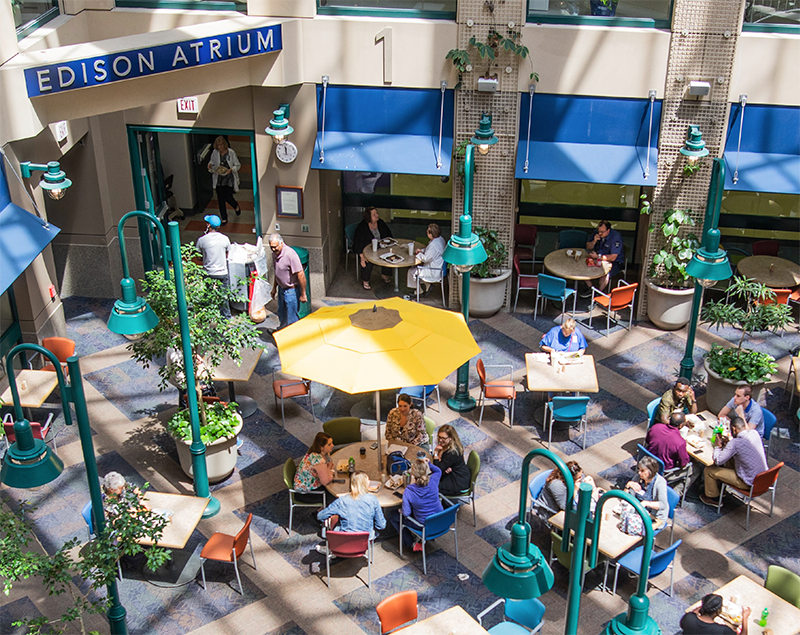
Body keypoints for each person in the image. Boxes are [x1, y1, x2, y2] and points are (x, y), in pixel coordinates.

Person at [700, 416, 768, 507]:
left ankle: (713, 498)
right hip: (763, 479)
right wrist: (728, 444)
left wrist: (718, 447)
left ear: (734, 429)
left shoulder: (736, 443)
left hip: (748, 482)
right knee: (730, 459)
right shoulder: (754, 433)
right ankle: (719, 487)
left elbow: (718, 461)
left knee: (709, 470)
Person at [387, 458, 443, 551]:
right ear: (427, 470)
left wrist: (401, 510)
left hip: (423, 525)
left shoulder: (409, 490)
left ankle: (411, 543)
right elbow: (438, 471)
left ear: (413, 475)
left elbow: (406, 513)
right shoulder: (434, 480)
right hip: (441, 519)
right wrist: (428, 463)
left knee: (393, 515)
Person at [316, 471, 386, 540]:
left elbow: (320, 516)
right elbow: (381, 525)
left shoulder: (342, 501)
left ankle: (328, 546)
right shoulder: (373, 500)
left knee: (335, 522)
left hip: (343, 541)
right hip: (364, 541)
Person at [645, 412, 694, 497]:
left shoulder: (656, 427)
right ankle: (675, 494)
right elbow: (683, 463)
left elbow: (647, 440)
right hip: (664, 472)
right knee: (694, 469)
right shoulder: (680, 442)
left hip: (647, 462)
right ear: (681, 426)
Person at [196, 214, 232, 318]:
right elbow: (227, 254)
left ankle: (208, 314)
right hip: (222, 272)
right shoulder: (225, 239)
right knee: (223, 295)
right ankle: (226, 317)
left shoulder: (202, 240)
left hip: (208, 272)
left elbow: (198, 257)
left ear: (208, 225)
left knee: (208, 294)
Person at [269, 233, 307, 329]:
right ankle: (282, 332)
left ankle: (293, 338)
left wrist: (303, 294)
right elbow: (277, 273)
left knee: (292, 317)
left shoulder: (290, 255)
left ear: (281, 243)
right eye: (271, 247)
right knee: (281, 313)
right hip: (281, 289)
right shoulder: (275, 254)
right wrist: (274, 288)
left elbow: (301, 275)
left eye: (275, 247)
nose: (273, 249)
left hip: (292, 291)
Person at [535, 460, 599, 516]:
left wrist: (592, 487)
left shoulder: (578, 476)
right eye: (578, 478)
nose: (581, 478)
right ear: (570, 479)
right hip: (551, 512)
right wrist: (575, 490)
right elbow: (565, 506)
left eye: (582, 473)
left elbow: (583, 487)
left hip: (569, 505)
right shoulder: (556, 485)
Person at [353, 207, 393, 290]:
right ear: (368, 217)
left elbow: (389, 235)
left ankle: (385, 274)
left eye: (377, 213)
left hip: (381, 247)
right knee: (367, 260)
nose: (377, 215)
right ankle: (365, 280)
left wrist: (387, 243)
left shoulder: (380, 223)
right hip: (367, 249)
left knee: (389, 255)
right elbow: (357, 243)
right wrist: (361, 256)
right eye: (374, 214)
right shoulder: (362, 227)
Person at [581, 220, 624, 296]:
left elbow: (613, 257)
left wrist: (598, 257)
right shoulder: (597, 233)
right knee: (582, 266)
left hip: (614, 261)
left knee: (605, 274)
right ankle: (591, 288)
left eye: (602, 232)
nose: (600, 233)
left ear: (608, 231)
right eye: (599, 231)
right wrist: (594, 241)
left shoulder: (615, 237)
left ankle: (598, 292)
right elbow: (588, 246)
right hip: (598, 257)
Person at [625, 456, 669, 528]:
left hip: (653, 517)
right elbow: (625, 498)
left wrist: (646, 503)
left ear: (650, 472)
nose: (639, 473)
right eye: (639, 469)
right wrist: (628, 485)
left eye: (642, 471)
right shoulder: (638, 477)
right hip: (637, 512)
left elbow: (663, 505)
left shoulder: (660, 483)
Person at [206, 135, 241, 225]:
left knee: (228, 197)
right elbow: (212, 162)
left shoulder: (231, 152)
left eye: (221, 145)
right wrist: (210, 165)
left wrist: (231, 169)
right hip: (219, 178)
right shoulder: (215, 152)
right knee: (220, 199)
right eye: (218, 145)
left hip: (228, 178)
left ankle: (236, 206)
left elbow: (237, 165)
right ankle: (224, 218)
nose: (220, 147)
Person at [293, 432, 335, 503]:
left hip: (310, 484)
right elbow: (326, 481)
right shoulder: (318, 460)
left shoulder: (319, 453)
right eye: (329, 444)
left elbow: (331, 464)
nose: (333, 445)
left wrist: (327, 471)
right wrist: (330, 472)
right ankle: (322, 512)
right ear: (321, 447)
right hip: (305, 493)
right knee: (333, 495)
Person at [679, 593, 750, 635]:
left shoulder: (689, 618)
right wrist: (745, 618)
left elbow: (693, 612)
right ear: (717, 611)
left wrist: (706, 605)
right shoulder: (722, 631)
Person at [406, 223, 446, 295]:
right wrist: (422, 250)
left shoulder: (433, 245)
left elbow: (425, 259)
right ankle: (427, 285)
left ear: (431, 234)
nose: (426, 232)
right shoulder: (440, 239)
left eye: (428, 231)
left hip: (433, 270)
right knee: (414, 268)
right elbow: (431, 252)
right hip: (438, 267)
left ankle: (419, 290)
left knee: (411, 272)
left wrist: (419, 254)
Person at [432, 424, 471, 497]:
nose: (440, 440)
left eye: (443, 438)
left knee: (431, 486)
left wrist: (436, 453)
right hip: (454, 473)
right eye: (439, 437)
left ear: (450, 438)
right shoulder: (449, 446)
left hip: (459, 482)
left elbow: (438, 469)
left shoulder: (452, 453)